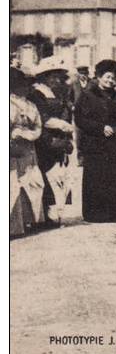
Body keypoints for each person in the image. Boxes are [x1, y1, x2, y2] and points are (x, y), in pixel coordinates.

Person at [74, 59, 116, 223]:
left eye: (113, 78)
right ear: (99, 77)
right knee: (98, 179)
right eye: (107, 77)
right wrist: (100, 128)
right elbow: (80, 120)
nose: (110, 81)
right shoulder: (88, 95)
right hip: (96, 145)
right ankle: (97, 214)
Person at [28, 57, 75, 227]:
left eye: (59, 76)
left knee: (57, 176)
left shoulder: (57, 93)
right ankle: (41, 216)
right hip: (44, 138)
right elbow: (42, 118)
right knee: (44, 175)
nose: (57, 80)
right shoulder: (37, 93)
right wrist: (64, 126)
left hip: (58, 138)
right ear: (44, 77)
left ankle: (52, 214)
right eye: (53, 76)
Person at [11, 66, 44, 237]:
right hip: (11, 149)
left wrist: (30, 135)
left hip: (28, 149)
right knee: (12, 185)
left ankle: (26, 221)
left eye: (26, 84)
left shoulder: (31, 105)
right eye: (20, 84)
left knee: (31, 183)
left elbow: (38, 125)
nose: (24, 87)